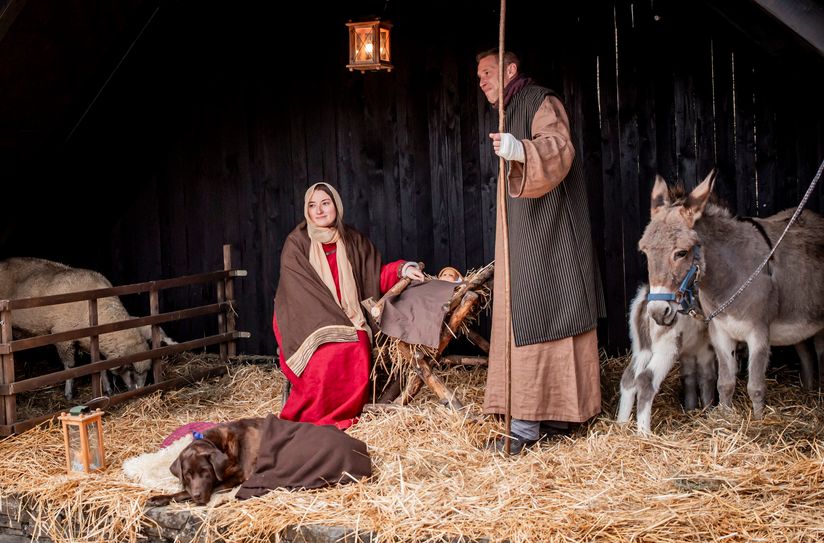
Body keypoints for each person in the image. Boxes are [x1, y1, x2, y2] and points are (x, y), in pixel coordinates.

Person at [476, 49, 606, 454]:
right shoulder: (508, 109)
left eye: (488, 73)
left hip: (550, 232)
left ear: (511, 70)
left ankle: (529, 428)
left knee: (539, 310)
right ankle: (549, 418)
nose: (481, 82)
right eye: (477, 76)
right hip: (523, 230)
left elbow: (558, 147)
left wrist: (520, 151)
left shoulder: (539, 101)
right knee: (526, 311)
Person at [272, 182, 425, 430]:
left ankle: (341, 415)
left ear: (337, 206)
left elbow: (373, 276)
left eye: (325, 203)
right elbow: (297, 291)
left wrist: (402, 268)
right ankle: (314, 417)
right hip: (304, 318)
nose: (319, 211)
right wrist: (333, 321)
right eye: (312, 205)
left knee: (355, 345)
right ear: (306, 211)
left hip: (350, 317)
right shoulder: (296, 243)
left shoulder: (353, 239)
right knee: (327, 354)